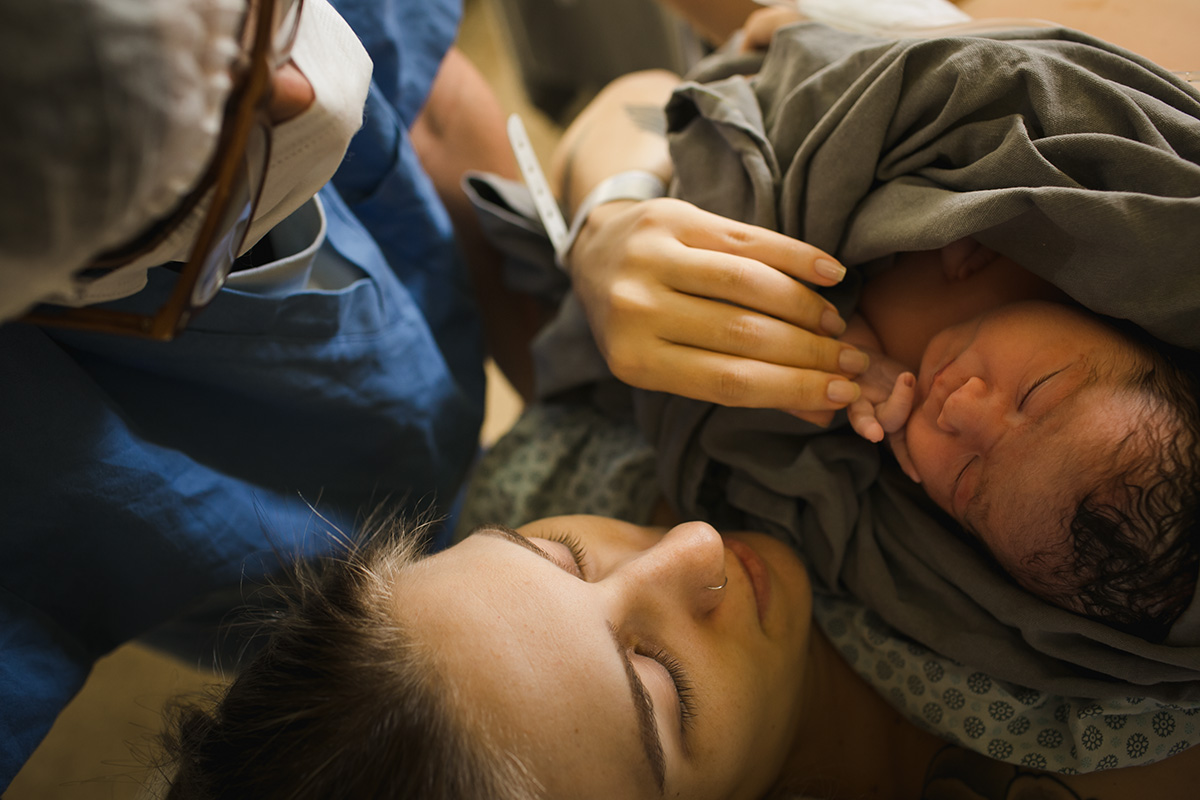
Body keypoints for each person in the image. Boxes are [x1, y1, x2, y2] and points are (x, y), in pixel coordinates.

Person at [0, 0, 866, 789]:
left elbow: (440, 109)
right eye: (660, 688)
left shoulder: (554, 491)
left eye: (270, 17)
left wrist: (603, 234)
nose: (698, 536)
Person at [458, 1, 1200, 774]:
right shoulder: (1052, 228)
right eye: (1036, 393)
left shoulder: (882, 434)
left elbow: (775, 408)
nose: (963, 406)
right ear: (1128, 328)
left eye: (972, 482)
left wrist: (837, 355)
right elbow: (976, 89)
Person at [151, 512, 1200, 798]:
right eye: (656, 681)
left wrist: (609, 209)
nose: (690, 545)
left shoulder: (610, 441)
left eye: (553, 548)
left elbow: (638, 96)